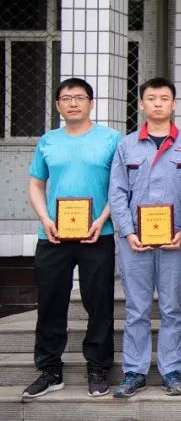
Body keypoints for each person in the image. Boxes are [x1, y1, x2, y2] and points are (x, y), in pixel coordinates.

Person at [22, 78, 121, 399]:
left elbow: (121, 186)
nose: (73, 103)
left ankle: (98, 367)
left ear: (91, 103)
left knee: (99, 303)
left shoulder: (111, 139)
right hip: (53, 235)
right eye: (66, 98)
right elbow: (36, 184)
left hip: (98, 234)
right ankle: (50, 370)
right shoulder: (48, 141)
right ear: (57, 105)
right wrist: (45, 219)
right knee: (51, 303)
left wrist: (103, 219)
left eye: (80, 97)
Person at [109, 78, 181, 398]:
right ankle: (134, 371)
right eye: (151, 98)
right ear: (141, 104)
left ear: (174, 104)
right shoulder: (127, 146)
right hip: (134, 242)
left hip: (176, 241)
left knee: (173, 308)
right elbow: (117, 193)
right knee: (136, 308)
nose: (158, 103)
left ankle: (171, 369)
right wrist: (128, 231)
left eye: (164, 98)